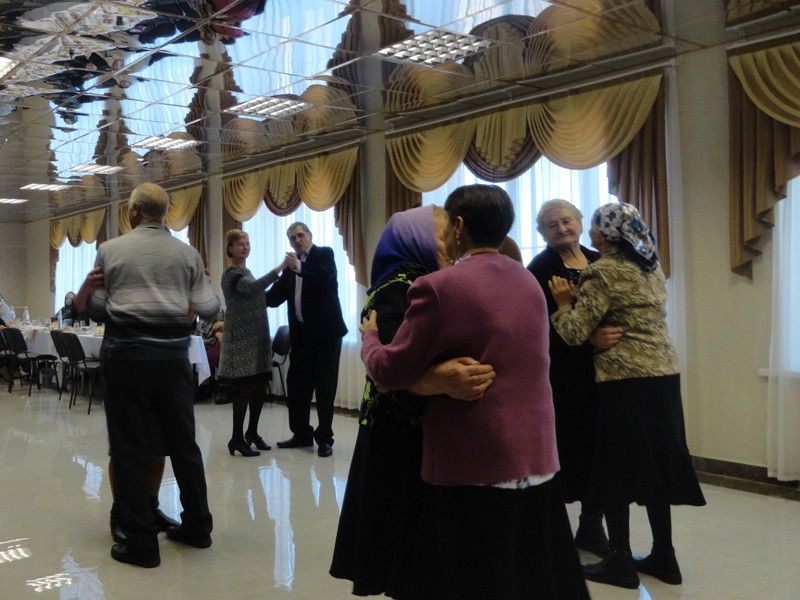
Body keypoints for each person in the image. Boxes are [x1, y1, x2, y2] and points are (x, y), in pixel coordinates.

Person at [360, 185, 589, 600]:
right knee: (529, 574)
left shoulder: (438, 286)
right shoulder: (527, 279)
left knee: (475, 576)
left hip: (475, 458)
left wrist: (371, 339)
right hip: (536, 454)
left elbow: (390, 369)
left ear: (459, 227)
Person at [330, 205, 496, 597]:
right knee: (407, 541)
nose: (452, 242)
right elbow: (394, 372)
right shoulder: (402, 287)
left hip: (406, 431)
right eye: (442, 234)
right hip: (401, 435)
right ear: (415, 240)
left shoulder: (417, 280)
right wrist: (442, 379)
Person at [549, 202, 705, 589]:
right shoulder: (651, 267)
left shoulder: (602, 271)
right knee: (656, 467)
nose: (589, 233)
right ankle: (664, 556)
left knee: (615, 469)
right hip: (663, 375)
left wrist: (563, 304)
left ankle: (619, 560)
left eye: (594, 225)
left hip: (624, 380)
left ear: (606, 233)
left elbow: (573, 332)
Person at [75, 182, 220, 568]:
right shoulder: (188, 254)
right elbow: (209, 308)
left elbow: (99, 310)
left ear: (134, 211)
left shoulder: (110, 250)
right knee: (184, 446)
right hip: (173, 361)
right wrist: (198, 286)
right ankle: (198, 527)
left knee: (129, 449)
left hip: (127, 360)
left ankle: (140, 542)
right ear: (165, 212)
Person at [527, 199, 622, 557]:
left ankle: (591, 524)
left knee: (602, 450)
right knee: (568, 448)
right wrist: (587, 338)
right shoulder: (540, 269)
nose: (561, 229)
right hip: (565, 376)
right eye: (552, 225)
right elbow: (535, 328)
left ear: (581, 222)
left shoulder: (601, 260)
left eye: (567, 220)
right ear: (542, 233)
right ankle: (552, 529)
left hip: (609, 371)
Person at [266, 222, 347, 458]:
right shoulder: (291, 268)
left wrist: (299, 266)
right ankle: (301, 434)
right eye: (292, 238)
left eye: (300, 235)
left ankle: (325, 439)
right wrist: (249, 295)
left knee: (324, 388)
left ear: (310, 236)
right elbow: (273, 298)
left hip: (326, 337)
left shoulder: (324, 255)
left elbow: (324, 278)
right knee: (296, 387)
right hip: (301, 338)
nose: (297, 240)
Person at [218, 229, 287, 457]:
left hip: (257, 338)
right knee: (244, 390)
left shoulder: (246, 271)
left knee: (258, 387)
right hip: (241, 341)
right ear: (230, 248)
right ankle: (236, 438)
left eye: (247, 243)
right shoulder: (231, 274)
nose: (245, 247)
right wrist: (279, 269)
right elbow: (252, 288)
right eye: (240, 244)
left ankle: (252, 433)